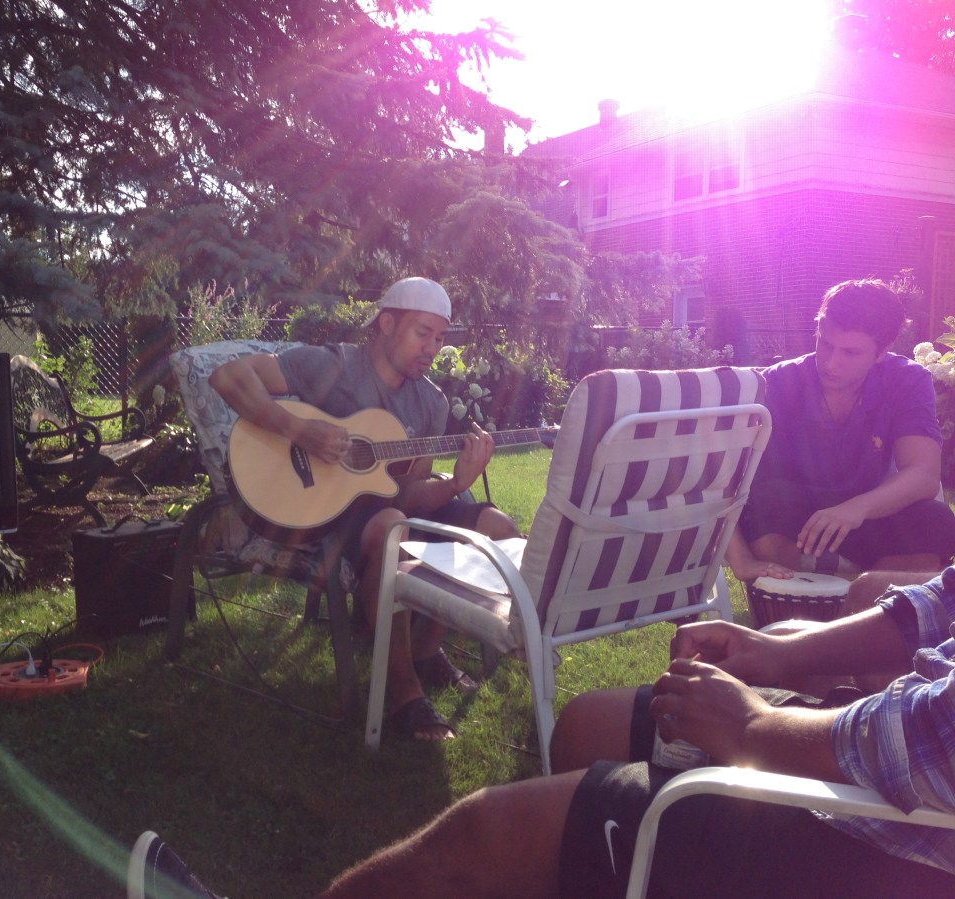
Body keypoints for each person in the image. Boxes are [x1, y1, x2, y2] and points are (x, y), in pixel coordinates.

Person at [316, 567, 955, 898]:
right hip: (900, 721)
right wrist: (780, 654)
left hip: (910, 841)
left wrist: (755, 727)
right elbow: (941, 600)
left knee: (486, 834)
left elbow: (938, 746)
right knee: (587, 724)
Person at [209, 276, 518, 741]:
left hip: (388, 508)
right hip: (327, 512)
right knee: (394, 526)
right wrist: (299, 430)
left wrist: (457, 483)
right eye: (422, 333)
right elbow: (228, 376)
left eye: (439, 337)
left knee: (495, 525)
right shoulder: (332, 366)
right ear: (387, 324)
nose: (432, 348)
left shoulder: (431, 402)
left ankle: (426, 649)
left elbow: (410, 495)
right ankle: (404, 693)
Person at [726, 278, 955, 583]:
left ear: (882, 351)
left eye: (850, 352)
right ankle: (842, 590)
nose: (831, 363)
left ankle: (858, 593)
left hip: (864, 514)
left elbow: (923, 475)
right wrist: (740, 559)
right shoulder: (777, 383)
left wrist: (856, 508)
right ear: (818, 328)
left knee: (936, 522)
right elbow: (721, 478)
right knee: (765, 502)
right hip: (790, 521)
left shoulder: (907, 380)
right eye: (826, 343)